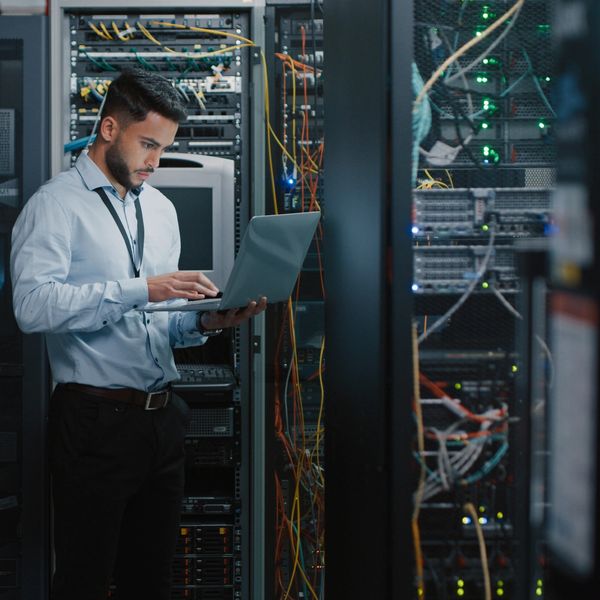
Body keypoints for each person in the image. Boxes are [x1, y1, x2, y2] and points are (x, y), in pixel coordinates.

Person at [10, 68, 266, 600]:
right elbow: (32, 308)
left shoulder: (160, 209)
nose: (155, 161)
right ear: (108, 129)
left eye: (164, 147)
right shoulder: (54, 206)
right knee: (82, 580)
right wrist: (141, 289)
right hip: (93, 420)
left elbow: (155, 319)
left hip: (162, 419)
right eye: (148, 144)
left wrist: (202, 321)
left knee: (149, 581)